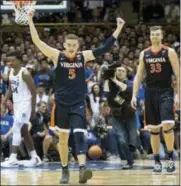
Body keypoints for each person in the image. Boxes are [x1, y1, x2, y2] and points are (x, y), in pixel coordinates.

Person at [27, 8, 125, 184]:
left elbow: (105, 47)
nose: (71, 48)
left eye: (74, 45)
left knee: (80, 135)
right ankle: (65, 170)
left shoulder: (83, 56)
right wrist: (30, 20)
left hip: (78, 103)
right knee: (63, 139)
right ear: (64, 45)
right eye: (69, 45)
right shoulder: (57, 55)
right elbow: (37, 41)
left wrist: (118, 28)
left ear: (78, 46)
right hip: (61, 104)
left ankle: (82, 169)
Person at [131, 26, 180, 174]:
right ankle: (157, 161)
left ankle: (170, 157)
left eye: (157, 34)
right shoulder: (144, 53)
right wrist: (134, 95)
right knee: (154, 129)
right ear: (150, 36)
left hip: (166, 91)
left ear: (162, 35)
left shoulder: (169, 52)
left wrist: (178, 95)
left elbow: (178, 75)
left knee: (167, 125)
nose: (155, 36)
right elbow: (139, 76)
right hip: (150, 93)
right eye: (152, 34)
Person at [1, 51, 42, 167]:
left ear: (19, 60)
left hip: (26, 103)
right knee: (24, 131)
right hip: (17, 104)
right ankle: (35, 157)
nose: (10, 63)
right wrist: (3, 102)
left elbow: (34, 92)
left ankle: (13, 159)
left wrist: (33, 110)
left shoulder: (25, 73)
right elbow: (10, 89)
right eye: (8, 61)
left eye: (12, 60)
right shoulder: (10, 72)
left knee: (16, 128)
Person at [104, 66, 137, 169]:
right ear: (115, 72)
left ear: (126, 74)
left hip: (129, 115)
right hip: (117, 116)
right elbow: (106, 93)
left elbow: (126, 89)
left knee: (132, 142)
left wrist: (114, 80)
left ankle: (132, 153)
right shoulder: (111, 84)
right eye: (118, 70)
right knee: (122, 140)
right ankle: (129, 161)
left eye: (123, 71)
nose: (120, 72)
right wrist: (107, 78)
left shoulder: (130, 83)